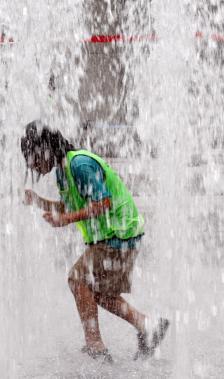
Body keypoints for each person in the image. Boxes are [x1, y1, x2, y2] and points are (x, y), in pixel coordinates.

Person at [20, 120, 169, 363]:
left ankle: (95, 346)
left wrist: (67, 219)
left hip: (119, 234)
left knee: (78, 280)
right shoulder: (63, 172)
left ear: (46, 148)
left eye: (34, 158)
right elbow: (69, 207)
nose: (33, 166)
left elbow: (103, 203)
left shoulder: (79, 164)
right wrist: (39, 201)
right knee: (98, 293)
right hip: (112, 236)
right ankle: (148, 326)